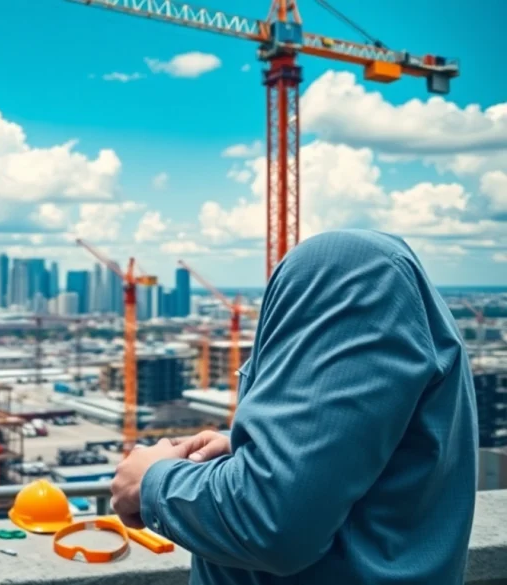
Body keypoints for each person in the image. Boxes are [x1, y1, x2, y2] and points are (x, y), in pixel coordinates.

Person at [110, 229, 478, 584]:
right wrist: (253, 449)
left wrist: (151, 481)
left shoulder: (345, 269)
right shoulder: (373, 272)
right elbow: (385, 453)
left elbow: (272, 522)